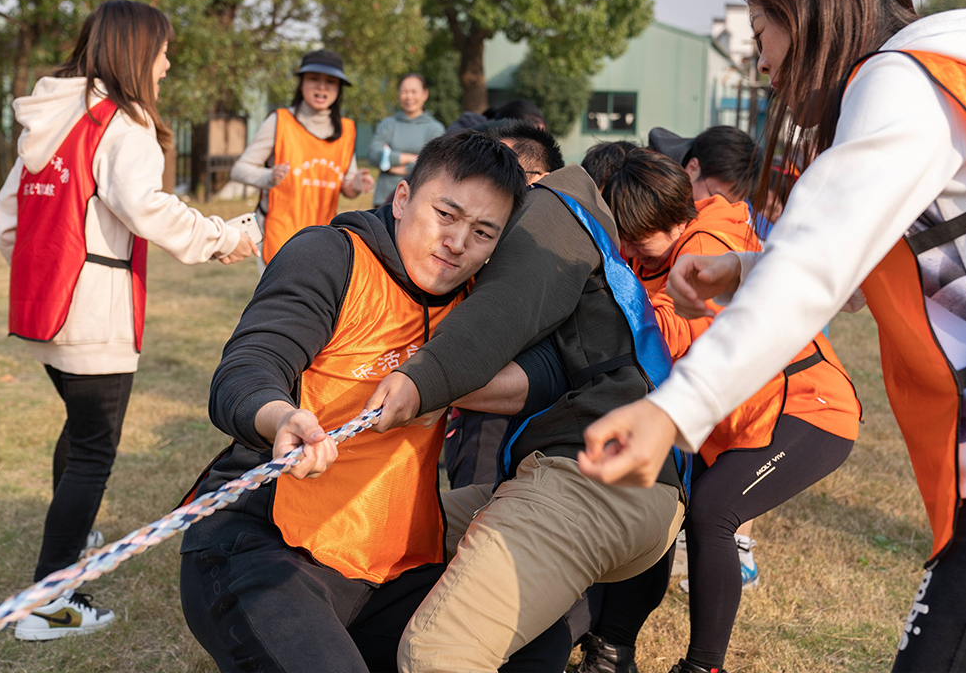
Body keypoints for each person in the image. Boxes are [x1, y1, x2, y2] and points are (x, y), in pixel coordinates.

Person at [579, 0, 966, 672]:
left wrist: (674, 410)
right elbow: (886, 270)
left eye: (762, 33)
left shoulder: (901, 81)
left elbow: (819, 264)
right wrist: (743, 271)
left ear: (808, 16)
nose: (761, 63)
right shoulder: (965, 88)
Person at [178, 131, 532, 672]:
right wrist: (281, 417)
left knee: (533, 646)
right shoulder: (331, 255)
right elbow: (248, 367)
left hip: (395, 565)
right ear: (402, 198)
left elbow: (548, 373)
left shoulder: (478, 302)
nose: (457, 242)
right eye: (445, 214)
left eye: (482, 232)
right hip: (266, 544)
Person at [365, 119, 687, 673]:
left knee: (438, 655)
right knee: (396, 529)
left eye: (494, 177)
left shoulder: (552, 211)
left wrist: (418, 380)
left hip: (590, 483)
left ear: (530, 178)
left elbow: (494, 320)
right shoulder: (591, 246)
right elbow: (537, 377)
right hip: (636, 490)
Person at [0, 0, 256, 641]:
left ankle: (71, 545)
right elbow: (147, 207)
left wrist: (48, 270)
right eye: (162, 53)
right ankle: (48, 603)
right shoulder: (123, 122)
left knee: (81, 433)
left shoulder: (54, 115)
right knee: (94, 452)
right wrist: (223, 237)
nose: (165, 66)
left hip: (49, 311)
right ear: (136, 52)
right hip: (95, 313)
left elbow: (7, 219)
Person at [577, 146, 860, 673]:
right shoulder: (655, 249)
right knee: (658, 505)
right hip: (738, 422)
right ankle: (611, 651)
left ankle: (703, 667)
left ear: (672, 219)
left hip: (808, 410)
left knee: (712, 513)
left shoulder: (705, 245)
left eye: (638, 242)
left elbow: (671, 328)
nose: (632, 252)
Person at [441, 121, 564, 489]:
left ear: (540, 181)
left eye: (508, 174)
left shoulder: (550, 249)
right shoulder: (482, 238)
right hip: (475, 407)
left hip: (504, 409)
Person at [230, 49, 374, 269]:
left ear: (339, 88)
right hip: (278, 232)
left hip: (322, 237)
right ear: (301, 83)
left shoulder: (347, 131)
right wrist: (269, 177)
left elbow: (346, 187)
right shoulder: (280, 122)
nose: (322, 87)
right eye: (314, 79)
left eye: (330, 81)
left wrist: (356, 184)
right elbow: (239, 169)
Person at [368, 73, 446, 206]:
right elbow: (373, 154)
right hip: (384, 200)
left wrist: (389, 164)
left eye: (414, 92)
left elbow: (433, 166)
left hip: (417, 200)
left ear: (425, 94)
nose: (409, 97)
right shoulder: (388, 124)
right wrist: (413, 158)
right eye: (404, 92)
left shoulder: (434, 129)